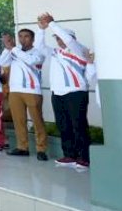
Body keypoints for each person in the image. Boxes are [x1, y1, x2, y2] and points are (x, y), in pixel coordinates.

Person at [38, 13, 92, 172]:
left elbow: (68, 41)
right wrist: (41, 30)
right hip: (58, 94)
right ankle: (69, 155)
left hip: (76, 92)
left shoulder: (80, 50)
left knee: (79, 125)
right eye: (56, 38)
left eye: (60, 37)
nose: (58, 40)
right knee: (63, 125)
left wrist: (52, 24)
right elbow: (40, 48)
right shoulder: (55, 52)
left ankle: (83, 158)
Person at [1, 28, 49, 161]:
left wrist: (13, 49)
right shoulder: (14, 51)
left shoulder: (38, 53)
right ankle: (22, 147)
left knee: (37, 121)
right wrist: (7, 48)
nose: (23, 39)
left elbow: (31, 61)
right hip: (15, 91)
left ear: (32, 39)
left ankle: (41, 149)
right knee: (19, 121)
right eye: (20, 36)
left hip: (32, 91)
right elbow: (2, 63)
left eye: (26, 36)